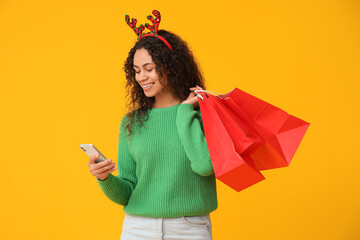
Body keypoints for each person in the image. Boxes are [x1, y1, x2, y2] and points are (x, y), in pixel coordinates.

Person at [88, 11, 217, 240]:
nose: (141, 77)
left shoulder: (200, 111)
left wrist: (185, 112)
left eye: (149, 69)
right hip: (137, 229)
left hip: (189, 228)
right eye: (136, 71)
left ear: (171, 66)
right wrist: (104, 178)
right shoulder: (131, 122)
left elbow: (205, 165)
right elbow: (128, 192)